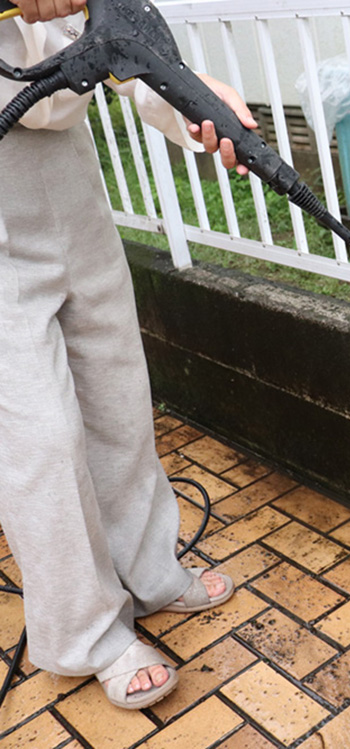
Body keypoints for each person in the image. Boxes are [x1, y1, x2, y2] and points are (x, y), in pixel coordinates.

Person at [0, 0, 258, 709]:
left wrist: (196, 103)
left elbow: (120, 31)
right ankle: (86, 631)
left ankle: (149, 570)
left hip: (64, 170)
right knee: (37, 434)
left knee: (116, 386)